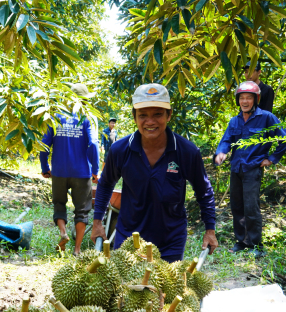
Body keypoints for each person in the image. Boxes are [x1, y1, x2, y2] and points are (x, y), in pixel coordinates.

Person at [91, 83, 218, 262]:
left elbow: (204, 191)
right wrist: (97, 223)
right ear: (135, 117)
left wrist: (210, 230)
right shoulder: (120, 150)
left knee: (164, 290)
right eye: (143, 115)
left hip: (170, 241)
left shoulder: (187, 152)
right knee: (126, 289)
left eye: (157, 114)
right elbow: (105, 185)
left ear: (169, 115)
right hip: (128, 237)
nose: (150, 122)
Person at [214, 81, 286, 257]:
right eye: (242, 98)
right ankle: (241, 241)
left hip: (253, 169)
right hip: (236, 168)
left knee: (251, 206)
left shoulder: (267, 117)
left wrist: (271, 159)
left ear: (256, 99)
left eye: (249, 97)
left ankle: (256, 245)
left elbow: (284, 138)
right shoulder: (235, 120)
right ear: (238, 100)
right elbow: (226, 140)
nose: (245, 101)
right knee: (237, 206)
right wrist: (221, 153)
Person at [40, 83, 100, 256]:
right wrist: (95, 170)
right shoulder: (88, 117)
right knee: (82, 210)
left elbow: (43, 145)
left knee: (59, 204)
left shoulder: (55, 116)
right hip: (82, 172)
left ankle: (64, 233)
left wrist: (45, 167)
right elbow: (94, 144)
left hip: (59, 171)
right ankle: (77, 250)